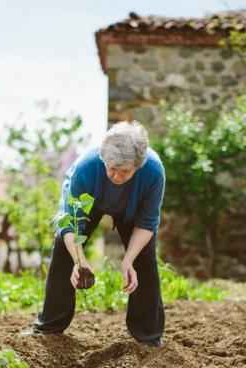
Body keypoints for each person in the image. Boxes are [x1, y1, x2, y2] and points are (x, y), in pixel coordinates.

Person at [29, 121, 166, 347]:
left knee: (144, 262)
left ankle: (148, 336)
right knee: (65, 252)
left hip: (132, 211)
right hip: (88, 204)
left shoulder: (153, 172)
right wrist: (80, 261)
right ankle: (50, 326)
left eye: (125, 171)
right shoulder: (86, 167)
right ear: (103, 159)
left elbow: (148, 222)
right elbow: (69, 222)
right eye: (111, 168)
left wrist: (128, 261)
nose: (116, 176)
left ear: (138, 166)